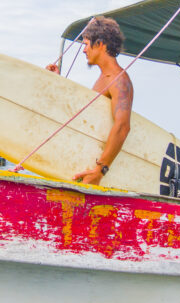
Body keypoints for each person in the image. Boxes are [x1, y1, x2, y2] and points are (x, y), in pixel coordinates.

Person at [46, 17, 132, 185]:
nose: (84, 50)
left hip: (98, 174)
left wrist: (100, 171)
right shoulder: (104, 78)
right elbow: (90, 116)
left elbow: (122, 127)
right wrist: (58, 81)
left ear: (100, 44)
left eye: (85, 44)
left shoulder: (119, 80)